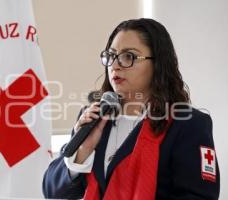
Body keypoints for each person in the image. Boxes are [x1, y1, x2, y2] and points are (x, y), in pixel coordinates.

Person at [42, 18, 220, 200]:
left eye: (129, 56)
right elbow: (52, 191)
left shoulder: (187, 124)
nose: (115, 65)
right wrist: (82, 152)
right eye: (111, 56)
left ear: (157, 63)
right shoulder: (94, 117)